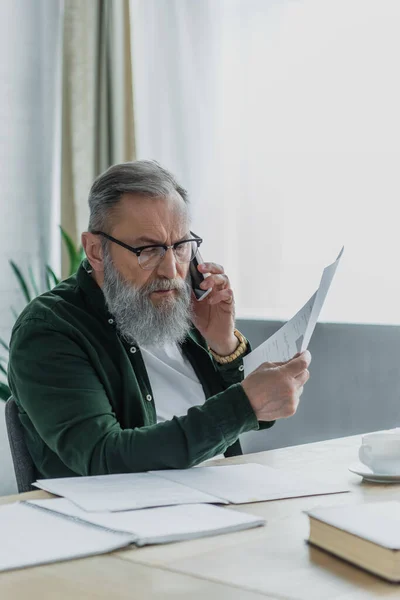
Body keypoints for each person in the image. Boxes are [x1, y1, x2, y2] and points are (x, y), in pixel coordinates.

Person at [8, 161, 311, 479]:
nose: (171, 270)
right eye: (148, 249)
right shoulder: (49, 330)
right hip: (123, 520)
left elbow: (261, 416)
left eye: (180, 246)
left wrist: (224, 344)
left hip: (222, 502)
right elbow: (104, 458)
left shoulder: (182, 309)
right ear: (96, 251)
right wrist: (244, 403)